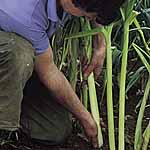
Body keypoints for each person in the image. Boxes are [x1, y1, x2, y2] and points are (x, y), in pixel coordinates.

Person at [0, 0, 125, 149]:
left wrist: (100, 43)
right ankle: (4, 131)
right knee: (20, 55)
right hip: (10, 52)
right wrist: (86, 119)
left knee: (54, 129)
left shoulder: (72, 4)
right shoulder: (24, 14)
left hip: (11, 69)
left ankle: (12, 105)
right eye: (88, 15)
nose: (90, 19)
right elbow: (49, 72)